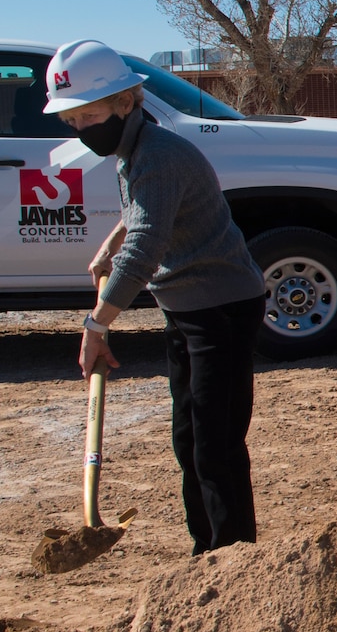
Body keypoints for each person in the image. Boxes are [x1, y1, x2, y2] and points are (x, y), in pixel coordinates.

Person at [44, 39, 269, 555]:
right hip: (187, 309)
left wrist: (96, 326)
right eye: (72, 121)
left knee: (216, 443)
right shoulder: (137, 150)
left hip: (222, 309)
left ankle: (234, 559)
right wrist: (111, 241)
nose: (81, 129)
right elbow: (145, 214)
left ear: (126, 102)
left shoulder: (159, 155)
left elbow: (147, 246)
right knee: (189, 440)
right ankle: (205, 550)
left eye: (89, 116)